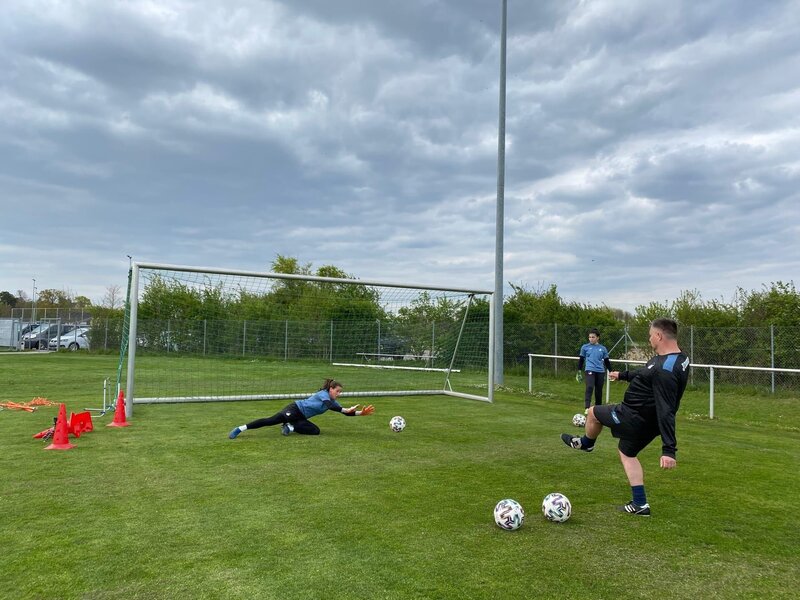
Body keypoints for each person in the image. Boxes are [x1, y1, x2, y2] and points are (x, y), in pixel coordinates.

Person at [561, 318, 689, 517]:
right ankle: (640, 504)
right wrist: (623, 375)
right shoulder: (677, 358)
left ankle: (586, 443)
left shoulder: (665, 370)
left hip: (633, 415)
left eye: (650, 336)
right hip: (647, 420)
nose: (649, 340)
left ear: (659, 336)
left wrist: (668, 450)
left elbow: (666, 409)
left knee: (594, 412)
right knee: (627, 453)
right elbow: (647, 373)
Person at [228, 379, 374, 438]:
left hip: (300, 417)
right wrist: (346, 409)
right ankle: (240, 428)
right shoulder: (323, 394)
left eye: (340, 392)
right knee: (270, 420)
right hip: (295, 408)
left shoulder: (332, 401)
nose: (339, 394)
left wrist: (361, 413)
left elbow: (345, 413)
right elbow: (332, 407)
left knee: (315, 431)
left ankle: (290, 427)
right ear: (330, 389)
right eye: (337, 391)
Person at [577, 328, 611, 415]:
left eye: (593, 337)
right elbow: (581, 359)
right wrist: (579, 371)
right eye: (589, 337)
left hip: (600, 371)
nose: (591, 339)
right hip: (589, 370)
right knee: (589, 387)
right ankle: (587, 407)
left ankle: (598, 409)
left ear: (598, 338)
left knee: (599, 391)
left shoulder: (603, 348)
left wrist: (611, 371)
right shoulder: (585, 347)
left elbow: (607, 361)